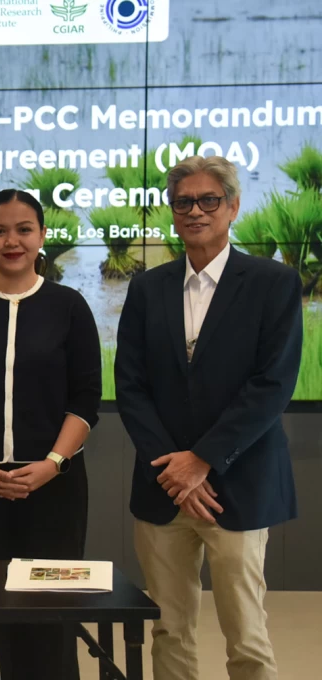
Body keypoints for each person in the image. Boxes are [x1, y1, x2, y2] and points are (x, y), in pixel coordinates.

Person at [116, 156, 302, 680]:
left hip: (240, 485)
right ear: (172, 213)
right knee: (170, 629)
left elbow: (272, 386)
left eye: (208, 200)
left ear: (233, 206)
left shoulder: (273, 283)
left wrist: (201, 460)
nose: (195, 211)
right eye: (183, 202)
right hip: (163, 487)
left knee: (246, 632)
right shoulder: (147, 288)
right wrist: (175, 471)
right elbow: (130, 387)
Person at [0, 189, 102, 679]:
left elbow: (86, 401)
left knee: (50, 618)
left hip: (54, 488)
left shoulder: (69, 307)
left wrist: (52, 464)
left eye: (24, 229)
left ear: (42, 236)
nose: (12, 241)